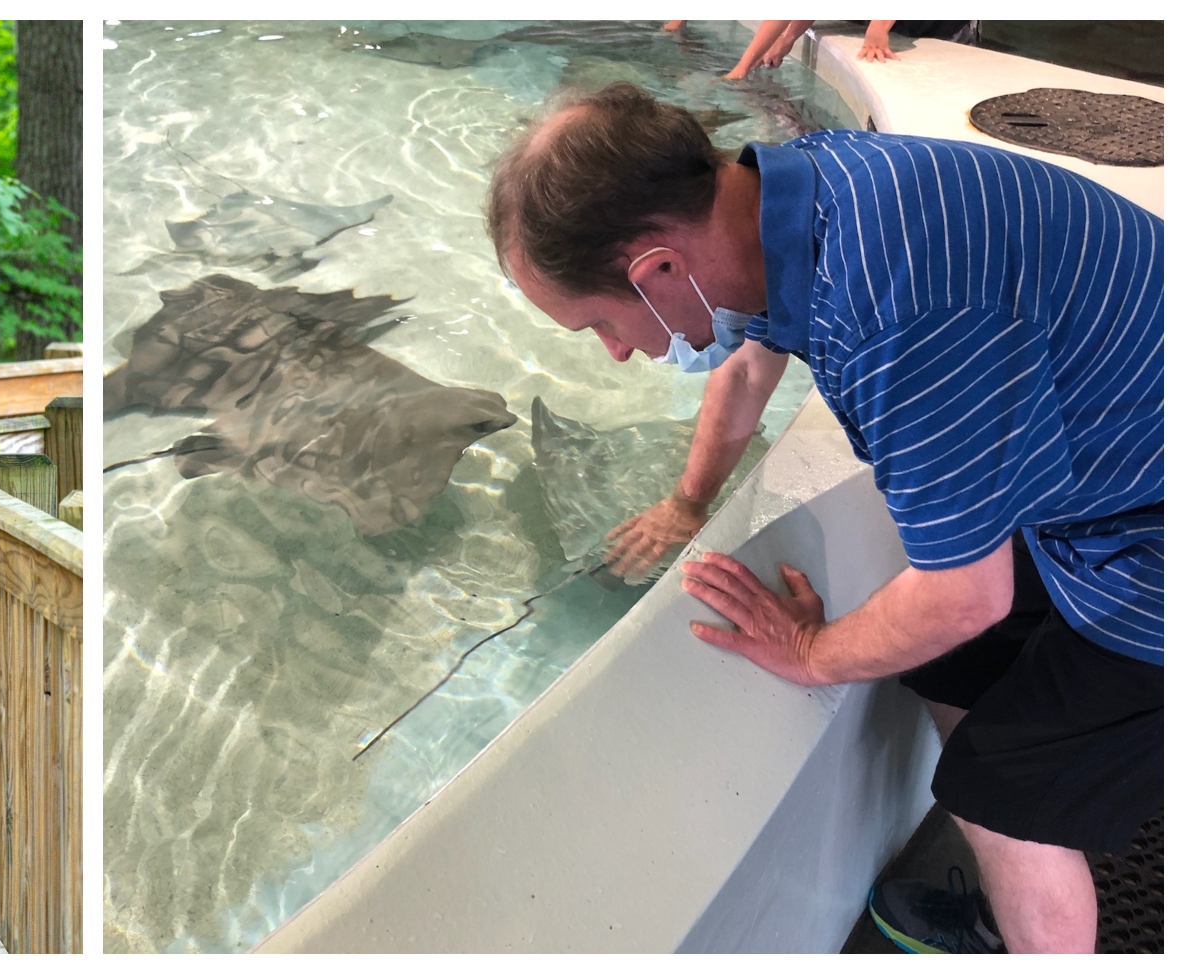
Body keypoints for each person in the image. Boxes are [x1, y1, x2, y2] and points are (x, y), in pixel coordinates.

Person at [488, 82, 1162, 953]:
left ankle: (1030, 913)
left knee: (999, 799)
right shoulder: (796, 193)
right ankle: (1016, 891)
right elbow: (746, 362)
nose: (618, 353)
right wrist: (688, 503)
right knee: (951, 669)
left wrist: (810, 655)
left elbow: (965, 596)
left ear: (657, 272)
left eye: (599, 327)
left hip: (1150, 537)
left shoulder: (898, 311)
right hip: (1113, 463)